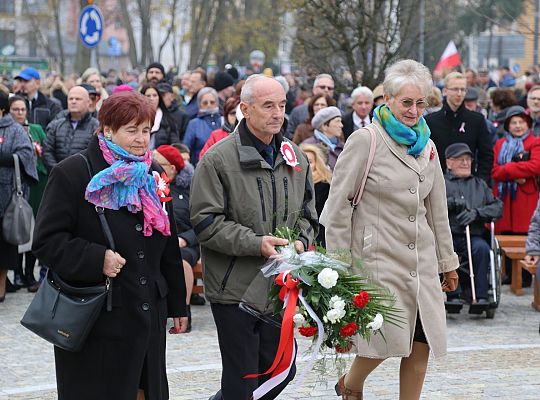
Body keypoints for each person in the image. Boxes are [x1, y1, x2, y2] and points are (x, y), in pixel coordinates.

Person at [32, 91, 188, 399]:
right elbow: (47, 241)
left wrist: (177, 303)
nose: (141, 139)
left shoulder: (152, 175)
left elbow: (168, 241)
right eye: (132, 130)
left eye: (146, 130)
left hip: (146, 312)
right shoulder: (73, 173)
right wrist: (96, 257)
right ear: (107, 130)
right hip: (99, 318)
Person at [323, 59, 459, 400]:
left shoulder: (428, 145)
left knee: (421, 340)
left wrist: (448, 261)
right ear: (388, 100)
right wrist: (340, 267)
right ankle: (351, 385)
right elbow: (337, 208)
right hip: (378, 258)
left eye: (420, 103)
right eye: (406, 103)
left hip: (421, 260)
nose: (414, 111)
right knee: (382, 339)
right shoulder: (365, 141)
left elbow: (436, 208)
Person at [190, 75, 318, 400]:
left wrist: (301, 242)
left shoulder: (296, 158)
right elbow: (205, 222)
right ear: (245, 109)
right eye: (268, 106)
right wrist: (255, 243)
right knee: (242, 378)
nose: (277, 113)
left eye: (282, 105)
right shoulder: (217, 159)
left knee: (279, 371)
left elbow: (309, 216)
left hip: (277, 287)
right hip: (235, 288)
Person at [444, 143, 503, 305]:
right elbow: (429, 204)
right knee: (446, 251)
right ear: (449, 163)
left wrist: (477, 213)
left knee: (483, 249)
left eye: (468, 159)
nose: (466, 163)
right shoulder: (440, 183)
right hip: (448, 235)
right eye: (460, 159)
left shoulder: (479, 184)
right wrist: (451, 203)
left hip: (474, 234)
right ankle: (452, 294)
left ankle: (481, 295)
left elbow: (497, 207)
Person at [153, 144, 199, 332]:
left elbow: (201, 222)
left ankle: (183, 309)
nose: (153, 164)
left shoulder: (190, 190)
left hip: (186, 242)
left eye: (159, 162)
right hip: (159, 240)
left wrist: (185, 239)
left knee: (181, 262)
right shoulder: (152, 185)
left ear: (172, 168)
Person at [0, 92, 38, 302]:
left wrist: (6, 158)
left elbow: (26, 156)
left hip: (6, 198)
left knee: (4, 246)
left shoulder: (14, 130)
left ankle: (1, 288)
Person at [8, 95, 48, 292]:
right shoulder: (7, 131)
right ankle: (16, 273)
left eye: (23, 110)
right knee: (16, 226)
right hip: (16, 185)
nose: (20, 113)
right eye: (16, 110)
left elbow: (46, 152)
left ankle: (30, 272)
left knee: (33, 228)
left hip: (37, 183)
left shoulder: (36, 129)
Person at [425, 71, 493, 183]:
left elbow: (486, 155)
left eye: (463, 89)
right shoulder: (431, 121)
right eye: (455, 89)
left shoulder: (477, 120)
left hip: (468, 184)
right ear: (445, 91)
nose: (459, 93)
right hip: (438, 182)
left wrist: (480, 182)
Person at [43, 86, 99, 171]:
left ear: (88, 102)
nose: (73, 101)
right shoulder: (56, 125)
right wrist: (57, 170)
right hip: (58, 176)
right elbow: (47, 151)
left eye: (78, 99)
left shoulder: (96, 126)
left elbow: (97, 154)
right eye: (70, 99)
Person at [300, 143, 332, 247]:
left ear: (317, 164)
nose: (305, 164)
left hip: (319, 241)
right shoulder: (291, 184)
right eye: (301, 160)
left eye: (309, 161)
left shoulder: (325, 187)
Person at [286, 73, 335, 138]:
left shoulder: (338, 114)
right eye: (322, 87)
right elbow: (289, 136)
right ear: (314, 89)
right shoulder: (298, 112)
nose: (326, 90)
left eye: (330, 88)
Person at [182, 87, 222, 166]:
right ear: (200, 104)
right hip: (200, 167)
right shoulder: (194, 124)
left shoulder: (223, 121)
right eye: (205, 103)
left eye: (212, 102)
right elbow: (186, 148)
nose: (209, 105)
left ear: (217, 103)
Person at [302, 106, 344, 170]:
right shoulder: (309, 146)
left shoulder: (343, 146)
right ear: (324, 126)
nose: (341, 125)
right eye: (337, 121)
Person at [141, 84, 179, 149]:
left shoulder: (168, 119)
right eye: (148, 96)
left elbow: (175, 143)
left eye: (155, 95)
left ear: (159, 98)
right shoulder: (135, 118)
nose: (151, 98)